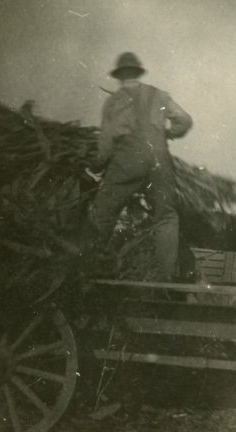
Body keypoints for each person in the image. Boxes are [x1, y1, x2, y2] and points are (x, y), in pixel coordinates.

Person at [90, 52, 193, 280]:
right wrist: (167, 133)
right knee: (166, 216)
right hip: (159, 161)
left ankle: (92, 268)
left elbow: (106, 143)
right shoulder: (159, 95)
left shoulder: (114, 102)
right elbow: (185, 120)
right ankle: (166, 279)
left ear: (120, 76)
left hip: (128, 160)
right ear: (137, 73)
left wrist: (97, 164)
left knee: (104, 211)